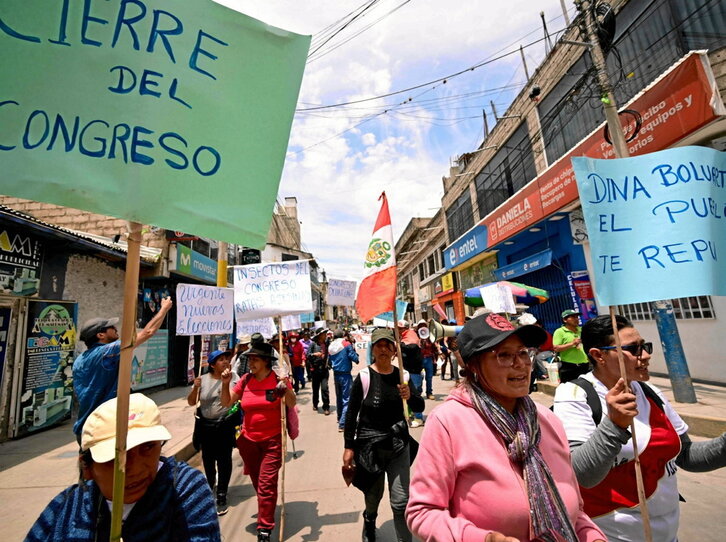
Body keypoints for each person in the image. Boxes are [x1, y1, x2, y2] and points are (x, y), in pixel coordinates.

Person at [406, 313, 605, 542]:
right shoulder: (448, 422)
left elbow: (574, 512)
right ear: (474, 367)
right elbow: (422, 512)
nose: (520, 364)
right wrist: (482, 539)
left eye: (523, 353)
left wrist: (593, 537)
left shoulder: (548, 420)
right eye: (504, 355)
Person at [552, 314, 726, 541]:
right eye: (633, 349)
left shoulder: (650, 392)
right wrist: (614, 425)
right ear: (598, 355)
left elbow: (686, 456)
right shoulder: (575, 395)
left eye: (645, 346)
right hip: (609, 534)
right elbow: (582, 474)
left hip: (667, 534)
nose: (645, 355)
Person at [26, 393, 220, 541]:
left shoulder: (184, 490)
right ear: (87, 467)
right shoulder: (65, 507)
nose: (134, 469)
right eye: (114, 456)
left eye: (147, 448)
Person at [343, 328, 424, 542]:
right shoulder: (364, 377)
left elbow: (419, 405)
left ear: (394, 350)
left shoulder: (403, 376)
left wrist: (410, 395)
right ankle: (369, 521)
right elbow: (351, 414)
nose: (383, 349)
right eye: (379, 345)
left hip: (398, 445)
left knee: (401, 501)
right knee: (373, 497)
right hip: (370, 448)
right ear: (373, 349)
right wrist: (349, 447)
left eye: (388, 345)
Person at [221, 342, 295, 542]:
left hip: (273, 441)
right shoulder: (245, 380)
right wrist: (225, 383)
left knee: (266, 484)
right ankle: (267, 505)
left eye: (254, 359)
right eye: (250, 359)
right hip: (248, 442)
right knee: (258, 483)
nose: (250, 363)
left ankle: (264, 527)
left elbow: (291, 403)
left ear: (265, 362)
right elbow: (227, 403)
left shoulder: (277, 380)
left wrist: (285, 386)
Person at [72, 297, 173, 442]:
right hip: (105, 427)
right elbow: (148, 332)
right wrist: (164, 309)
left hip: (86, 427)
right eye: (111, 328)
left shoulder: (80, 360)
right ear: (101, 335)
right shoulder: (107, 351)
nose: (115, 329)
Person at [187, 349, 239, 515]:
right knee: (208, 460)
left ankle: (222, 493)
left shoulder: (234, 377)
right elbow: (191, 402)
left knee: (224, 459)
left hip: (225, 425)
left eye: (226, 358)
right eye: (220, 360)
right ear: (211, 365)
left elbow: (237, 398)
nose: (225, 362)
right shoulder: (202, 380)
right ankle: (210, 487)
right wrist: (195, 389)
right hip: (206, 427)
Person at [329, 328, 360, 432]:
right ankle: (342, 424)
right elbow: (353, 357)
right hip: (345, 374)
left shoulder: (331, 345)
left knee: (339, 398)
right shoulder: (346, 344)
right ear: (342, 335)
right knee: (347, 399)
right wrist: (356, 357)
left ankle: (339, 418)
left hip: (336, 374)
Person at [553, 309, 589, 383]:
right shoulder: (560, 332)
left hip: (584, 365)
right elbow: (556, 348)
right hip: (569, 366)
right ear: (565, 320)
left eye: (577, 317)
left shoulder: (581, 330)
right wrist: (572, 344)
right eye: (573, 317)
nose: (576, 319)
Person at [308, 327, 331, 415]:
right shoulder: (313, 344)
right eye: (324, 334)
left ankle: (326, 406)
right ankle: (315, 403)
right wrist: (314, 354)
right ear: (319, 335)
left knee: (325, 388)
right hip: (315, 370)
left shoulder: (327, 343)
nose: (325, 335)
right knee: (315, 388)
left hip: (324, 370)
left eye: (326, 334)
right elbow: (307, 355)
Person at [416, 320, 438, 399]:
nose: (422, 327)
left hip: (429, 359)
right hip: (420, 359)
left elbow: (434, 348)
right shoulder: (416, 336)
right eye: (421, 325)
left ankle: (429, 393)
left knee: (429, 377)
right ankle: (418, 392)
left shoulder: (430, 336)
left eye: (424, 325)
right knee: (419, 376)